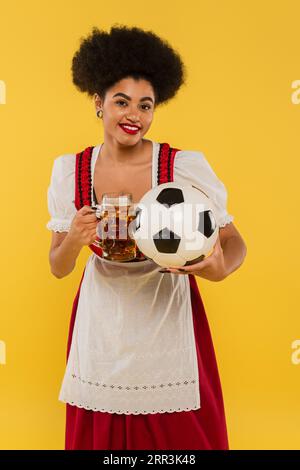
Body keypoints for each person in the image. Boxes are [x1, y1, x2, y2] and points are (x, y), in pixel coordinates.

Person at [46, 25, 247, 450]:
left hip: (168, 310)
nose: (133, 115)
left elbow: (233, 241)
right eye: (121, 101)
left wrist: (219, 268)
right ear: (98, 103)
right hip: (101, 316)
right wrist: (75, 240)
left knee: (180, 438)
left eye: (145, 104)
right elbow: (58, 267)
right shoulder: (71, 171)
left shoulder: (182, 166)